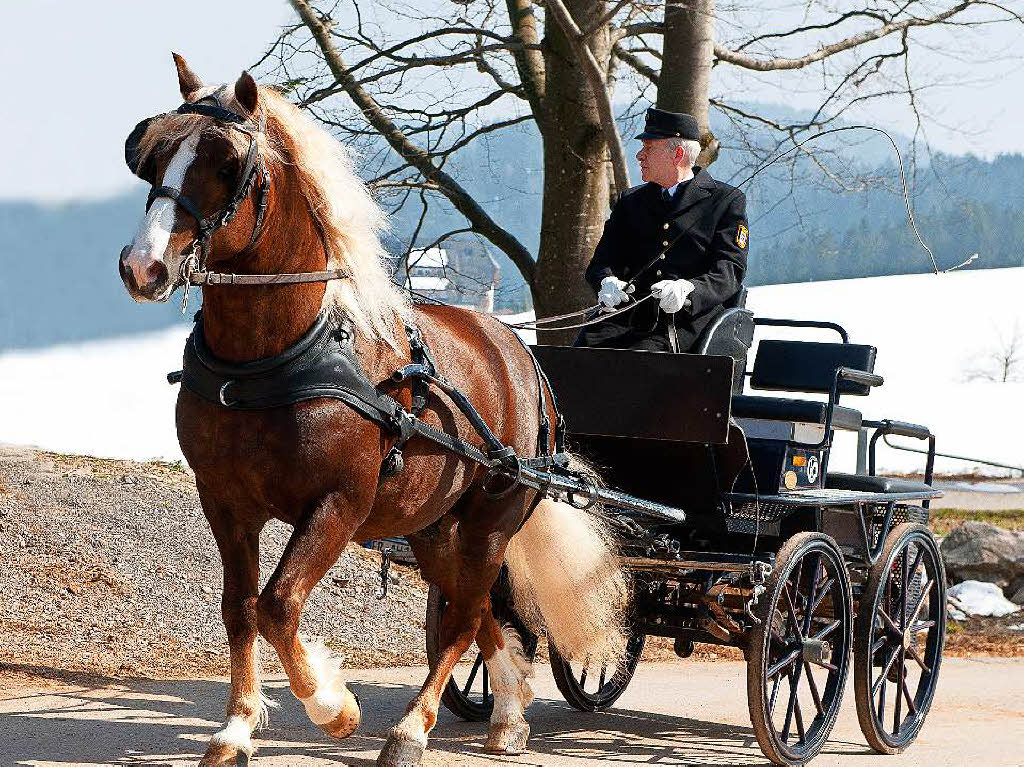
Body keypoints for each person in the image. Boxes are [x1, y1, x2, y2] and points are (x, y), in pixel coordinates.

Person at [575, 107, 749, 353]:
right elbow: (603, 260)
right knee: (576, 357)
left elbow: (729, 272)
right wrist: (606, 281)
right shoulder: (631, 202)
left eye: (648, 149)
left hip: (685, 323)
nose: (639, 156)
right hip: (626, 318)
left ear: (677, 154)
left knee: (638, 362)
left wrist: (689, 289)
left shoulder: (725, 201)